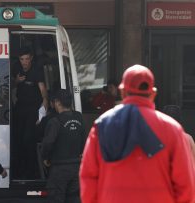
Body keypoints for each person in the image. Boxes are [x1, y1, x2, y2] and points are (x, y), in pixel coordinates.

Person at [80, 64, 195, 203]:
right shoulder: (173, 130)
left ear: (122, 92)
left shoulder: (102, 125)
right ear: (153, 94)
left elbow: (88, 178)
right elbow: (186, 185)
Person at [41, 89, 86, 203]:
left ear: (57, 102)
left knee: (56, 198)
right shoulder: (79, 117)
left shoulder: (55, 121)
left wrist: (45, 158)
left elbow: (48, 143)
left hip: (59, 169)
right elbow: (85, 139)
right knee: (74, 199)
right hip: (77, 167)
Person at [12, 46, 48, 178]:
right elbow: (8, 85)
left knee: (28, 139)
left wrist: (43, 112)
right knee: (17, 139)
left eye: (27, 59)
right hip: (20, 107)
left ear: (31, 59)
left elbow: (44, 92)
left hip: (33, 109)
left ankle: (31, 171)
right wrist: (17, 81)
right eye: (22, 59)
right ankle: (18, 169)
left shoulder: (36, 70)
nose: (24, 62)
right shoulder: (16, 67)